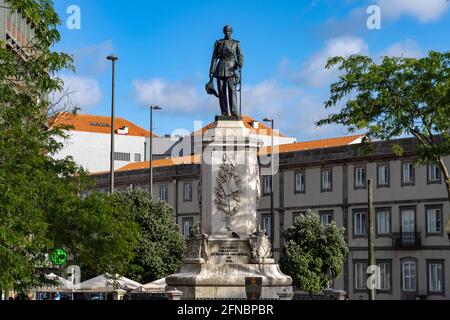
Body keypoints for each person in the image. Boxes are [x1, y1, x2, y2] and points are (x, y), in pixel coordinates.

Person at [208, 25, 244, 117]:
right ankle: (224, 112)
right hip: (220, 68)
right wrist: (211, 72)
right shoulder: (219, 43)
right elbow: (214, 58)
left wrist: (240, 62)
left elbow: (240, 55)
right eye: (226, 31)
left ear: (231, 32)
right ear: (224, 32)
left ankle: (234, 112)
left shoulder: (236, 43)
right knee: (221, 91)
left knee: (232, 90)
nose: (227, 33)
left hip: (231, 68)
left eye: (229, 31)